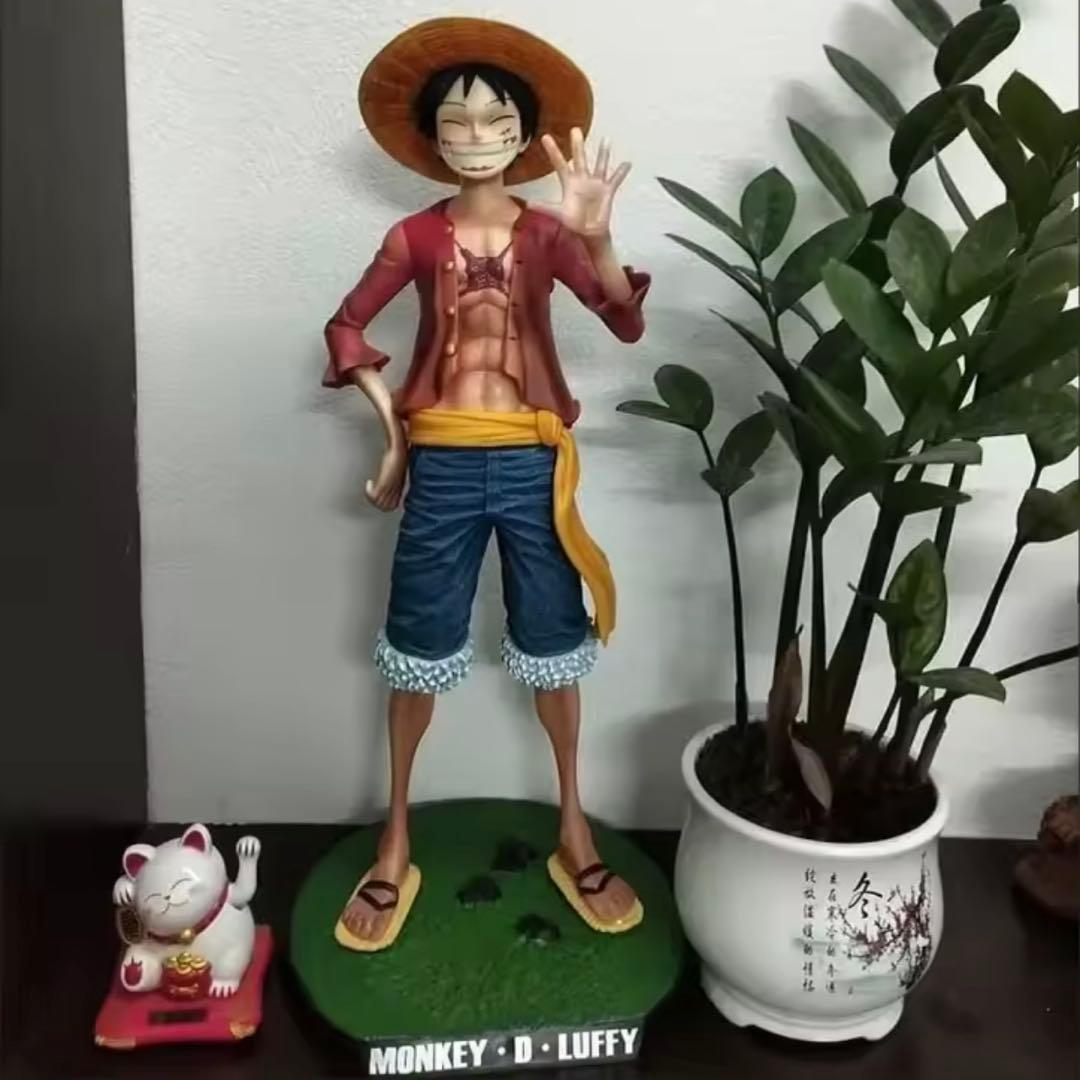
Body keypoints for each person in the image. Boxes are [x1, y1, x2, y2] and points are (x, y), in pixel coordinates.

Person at [323, 17, 650, 951]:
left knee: (554, 637)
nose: (477, 137)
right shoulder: (412, 236)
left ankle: (575, 832)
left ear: (527, 132)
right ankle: (394, 841)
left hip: (533, 459)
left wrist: (599, 237)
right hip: (442, 461)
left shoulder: (547, 233)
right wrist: (393, 435)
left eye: (496, 119)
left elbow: (623, 320)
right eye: (458, 122)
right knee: (416, 642)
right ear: (432, 137)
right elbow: (345, 329)